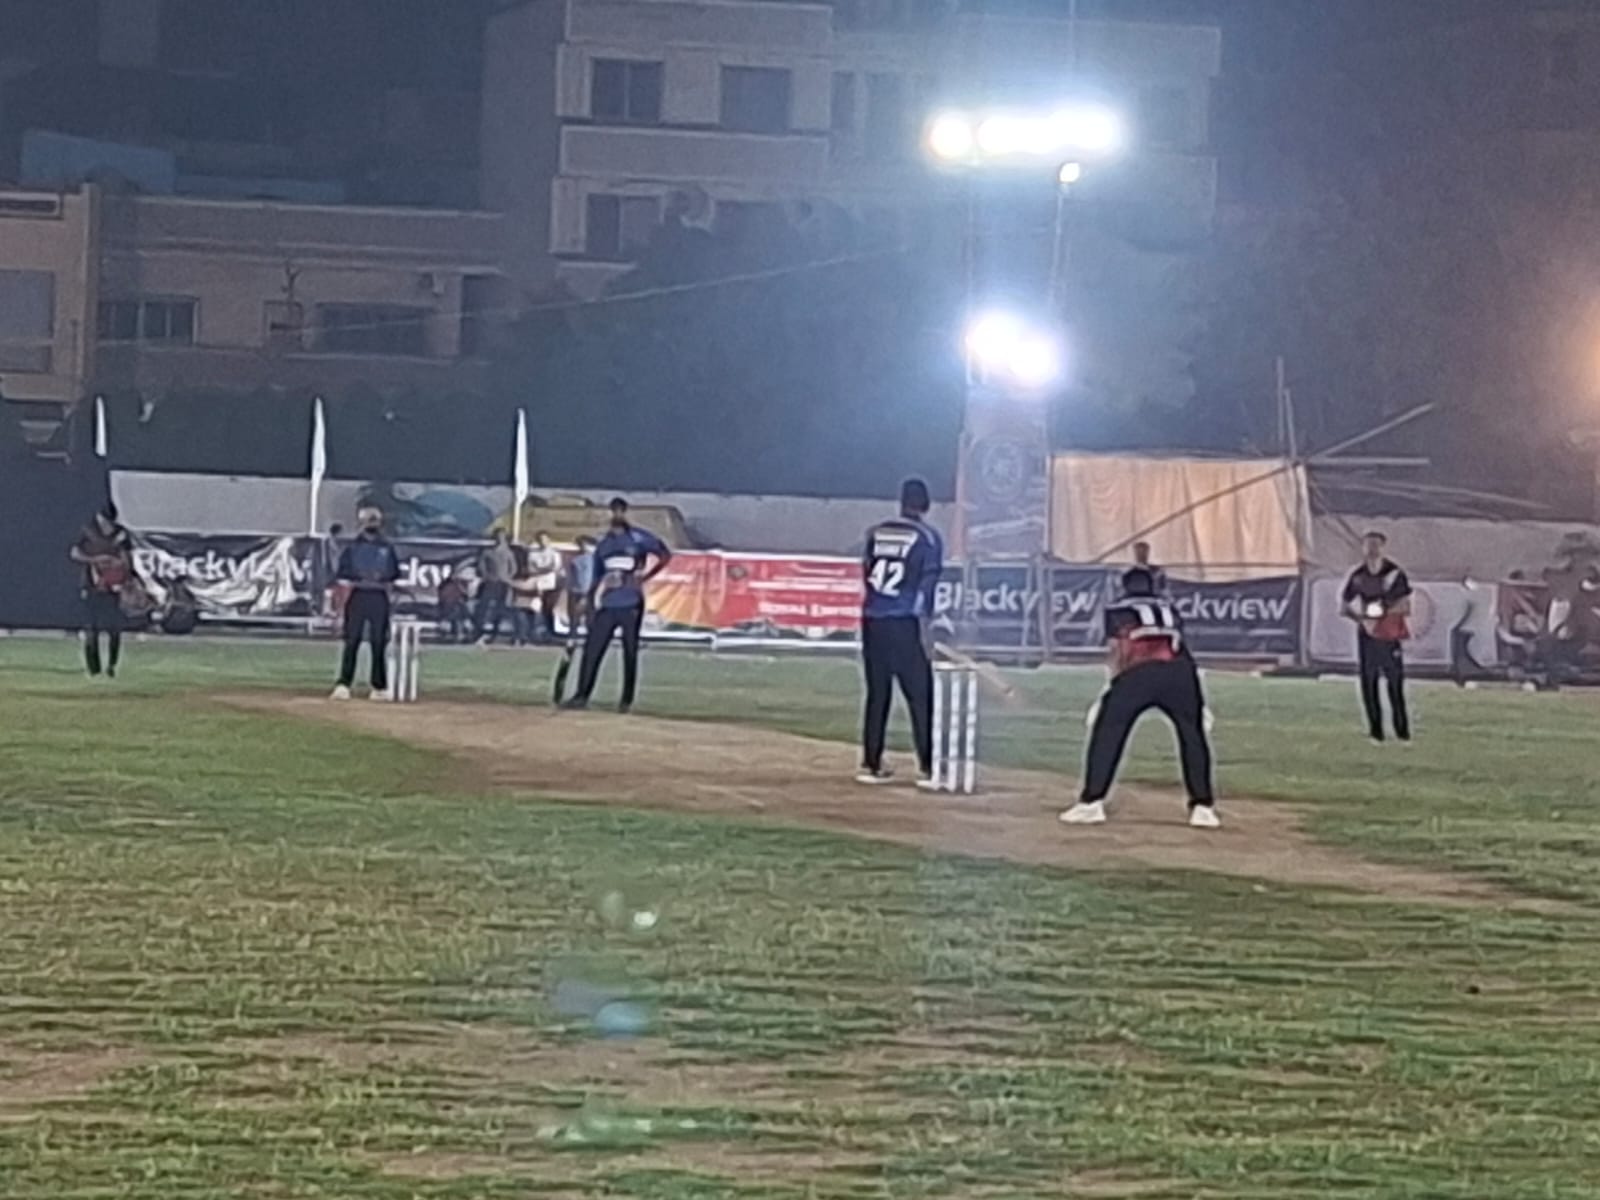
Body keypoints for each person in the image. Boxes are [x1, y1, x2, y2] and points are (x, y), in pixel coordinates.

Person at [1060, 567, 1219, 828]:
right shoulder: (1169, 608)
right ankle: (1203, 807)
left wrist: (1110, 688)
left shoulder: (1118, 609)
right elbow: (1180, 647)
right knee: (1193, 736)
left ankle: (1091, 802)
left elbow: (1118, 651)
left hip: (1139, 672)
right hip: (1181, 673)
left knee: (1109, 730)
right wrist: (1198, 700)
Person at [856, 478, 944, 787]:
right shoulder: (927, 538)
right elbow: (926, 587)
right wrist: (926, 629)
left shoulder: (876, 533)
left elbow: (867, 571)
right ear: (926, 505)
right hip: (904, 620)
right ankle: (929, 766)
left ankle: (871, 762)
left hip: (872, 618)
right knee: (920, 694)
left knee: (877, 693)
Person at [562, 498, 671, 712]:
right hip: (609, 603)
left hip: (631, 602)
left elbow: (664, 554)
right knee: (593, 648)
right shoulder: (604, 545)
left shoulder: (638, 538)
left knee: (629, 651)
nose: (617, 515)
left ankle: (625, 700)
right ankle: (581, 695)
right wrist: (588, 600)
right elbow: (597, 576)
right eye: (613, 511)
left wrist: (646, 575)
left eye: (620, 511)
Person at [1341, 531, 1412, 742]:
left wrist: (1382, 613)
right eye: (1368, 545)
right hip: (1368, 635)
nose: (1372, 549)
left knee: (1395, 683)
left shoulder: (1394, 574)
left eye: (1376, 544)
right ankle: (1376, 732)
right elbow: (1344, 605)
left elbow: (1405, 606)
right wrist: (1362, 620)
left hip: (1389, 634)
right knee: (1368, 682)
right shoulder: (1358, 575)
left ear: (1383, 547)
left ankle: (1402, 732)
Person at [330, 505, 401, 700]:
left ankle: (379, 686)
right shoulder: (353, 548)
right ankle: (344, 684)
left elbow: (394, 573)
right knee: (352, 640)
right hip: (358, 594)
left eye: (374, 520)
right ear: (361, 523)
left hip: (378, 596)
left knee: (379, 642)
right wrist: (358, 578)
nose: (372, 524)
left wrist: (381, 578)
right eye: (369, 520)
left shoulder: (387, 548)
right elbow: (343, 573)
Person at [69, 501, 134, 679]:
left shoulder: (120, 534)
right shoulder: (88, 532)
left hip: (114, 588)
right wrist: (95, 560)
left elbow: (127, 558)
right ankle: (93, 668)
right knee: (92, 628)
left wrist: (118, 566)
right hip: (91, 585)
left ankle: (112, 665)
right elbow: (74, 553)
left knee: (114, 629)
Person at [474, 529, 518, 645]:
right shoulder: (488, 552)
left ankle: (495, 632)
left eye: (502, 537)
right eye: (498, 536)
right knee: (484, 608)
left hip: (504, 584)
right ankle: (479, 632)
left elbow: (513, 568)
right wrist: (487, 576)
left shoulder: (508, 553)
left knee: (501, 608)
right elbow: (481, 566)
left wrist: (507, 578)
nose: (500, 539)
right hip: (490, 583)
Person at [524, 530, 564, 642]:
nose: (543, 542)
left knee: (548, 609)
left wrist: (541, 569)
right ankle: (531, 632)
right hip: (535, 584)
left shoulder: (555, 553)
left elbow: (555, 568)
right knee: (533, 608)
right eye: (540, 540)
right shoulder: (533, 554)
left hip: (550, 585)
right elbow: (530, 568)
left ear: (549, 540)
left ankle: (549, 632)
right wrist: (544, 569)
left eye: (545, 539)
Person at [565, 535, 596, 637]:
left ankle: (591, 635)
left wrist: (587, 590)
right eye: (581, 544)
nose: (583, 546)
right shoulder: (575, 559)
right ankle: (572, 635)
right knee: (574, 615)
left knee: (590, 615)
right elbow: (571, 575)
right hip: (575, 590)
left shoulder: (595, 559)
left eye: (585, 544)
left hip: (590, 590)